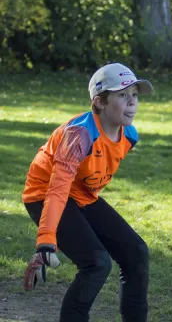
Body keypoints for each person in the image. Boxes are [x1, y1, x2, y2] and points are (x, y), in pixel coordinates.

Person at [22, 63, 152, 322]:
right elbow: (57, 189)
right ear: (100, 102)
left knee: (136, 252)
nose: (132, 103)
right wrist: (46, 240)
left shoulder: (130, 135)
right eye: (122, 95)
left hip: (81, 194)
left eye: (135, 95)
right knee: (97, 263)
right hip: (45, 194)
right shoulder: (78, 136)